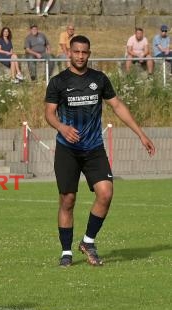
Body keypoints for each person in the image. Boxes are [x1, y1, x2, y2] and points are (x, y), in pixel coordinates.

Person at [44, 35, 156, 268]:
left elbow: (117, 106)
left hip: (94, 148)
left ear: (89, 53)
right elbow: (49, 113)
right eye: (76, 52)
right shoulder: (58, 82)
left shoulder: (99, 79)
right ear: (70, 53)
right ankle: (66, 251)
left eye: (84, 52)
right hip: (67, 150)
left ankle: (88, 241)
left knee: (106, 193)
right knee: (68, 199)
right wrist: (63, 128)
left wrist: (141, 133)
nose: (80, 56)